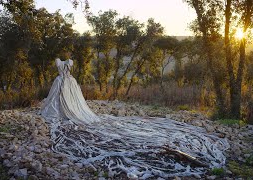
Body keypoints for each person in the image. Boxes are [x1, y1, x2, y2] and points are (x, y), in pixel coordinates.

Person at [40, 58, 230, 178]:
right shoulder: (65, 76)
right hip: (66, 85)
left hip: (69, 85)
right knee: (70, 107)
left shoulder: (66, 74)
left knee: (79, 110)